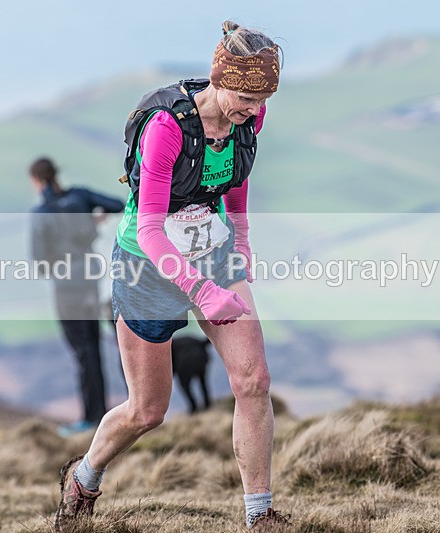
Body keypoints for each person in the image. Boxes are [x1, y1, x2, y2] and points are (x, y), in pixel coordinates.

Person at [54, 21, 289, 531]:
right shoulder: (167, 128)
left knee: (254, 381)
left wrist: (240, 244)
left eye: (263, 99)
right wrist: (201, 291)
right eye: (246, 97)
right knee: (148, 410)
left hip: (213, 251)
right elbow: (150, 230)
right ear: (218, 78)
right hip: (147, 266)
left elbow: (236, 177)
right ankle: (84, 477)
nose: (254, 109)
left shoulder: (249, 117)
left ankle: (260, 515)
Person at [28, 157, 125, 435]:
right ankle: (103, 414)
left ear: (36, 180)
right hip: (91, 279)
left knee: (83, 352)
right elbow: (117, 204)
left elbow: (39, 260)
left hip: (66, 286)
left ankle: (91, 418)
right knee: (93, 346)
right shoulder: (80, 196)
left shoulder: (42, 212)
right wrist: (92, 221)